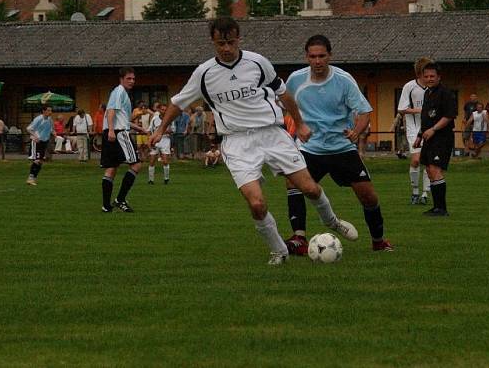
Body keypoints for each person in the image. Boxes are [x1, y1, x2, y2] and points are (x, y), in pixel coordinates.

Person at [149, 17, 357, 266]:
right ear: (213, 42)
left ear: (239, 39)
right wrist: (161, 128)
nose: (226, 48)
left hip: (272, 134)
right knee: (257, 204)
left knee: (310, 188)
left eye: (230, 42)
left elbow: (284, 94)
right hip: (237, 143)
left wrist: (299, 124)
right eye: (220, 43)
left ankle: (331, 221)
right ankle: (279, 250)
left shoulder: (258, 63)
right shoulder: (204, 73)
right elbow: (178, 102)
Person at [282, 35, 393, 256]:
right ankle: (299, 237)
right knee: (292, 182)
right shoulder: (295, 80)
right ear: (306, 57)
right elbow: (284, 102)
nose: (317, 61)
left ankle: (378, 241)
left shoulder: (343, 80)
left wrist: (356, 132)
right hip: (310, 148)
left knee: (368, 196)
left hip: (341, 148)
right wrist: (297, 125)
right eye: (312, 56)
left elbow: (364, 112)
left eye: (322, 56)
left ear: (329, 56)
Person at [101, 68, 148, 213]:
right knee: (136, 165)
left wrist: (140, 129)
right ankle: (120, 199)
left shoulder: (121, 93)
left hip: (113, 132)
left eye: (133, 79)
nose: (132, 81)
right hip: (118, 133)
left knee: (111, 168)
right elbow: (111, 111)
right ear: (121, 79)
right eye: (129, 78)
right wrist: (111, 130)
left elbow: (123, 119)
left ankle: (106, 206)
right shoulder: (119, 91)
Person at [413, 62, 456, 216]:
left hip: (442, 137)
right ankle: (437, 207)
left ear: (439, 77)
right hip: (429, 138)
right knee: (430, 170)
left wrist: (434, 129)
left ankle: (442, 209)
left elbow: (449, 116)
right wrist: (420, 135)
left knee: (436, 170)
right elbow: (426, 117)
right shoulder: (427, 93)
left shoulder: (446, 93)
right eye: (426, 76)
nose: (429, 79)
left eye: (432, 76)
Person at [397, 57, 433, 205]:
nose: (428, 77)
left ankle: (425, 193)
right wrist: (421, 110)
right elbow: (401, 109)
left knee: (428, 162)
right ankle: (415, 191)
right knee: (416, 160)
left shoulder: (435, 88)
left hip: (431, 128)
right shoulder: (409, 87)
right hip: (414, 128)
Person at [26, 105, 54, 186]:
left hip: (44, 142)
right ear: (43, 111)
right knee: (37, 160)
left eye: (51, 110)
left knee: (40, 162)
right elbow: (29, 129)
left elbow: (51, 129)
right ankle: (30, 179)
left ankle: (33, 178)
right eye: (48, 110)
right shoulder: (38, 119)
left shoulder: (49, 119)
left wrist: (54, 133)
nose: (50, 112)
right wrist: (35, 136)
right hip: (37, 142)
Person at [148, 103, 173, 184]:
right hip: (155, 141)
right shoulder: (155, 119)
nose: (164, 111)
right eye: (162, 109)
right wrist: (150, 140)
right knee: (152, 161)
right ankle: (151, 180)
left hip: (165, 141)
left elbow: (173, 130)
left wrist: (162, 131)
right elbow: (149, 130)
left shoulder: (170, 119)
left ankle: (166, 179)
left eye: (165, 110)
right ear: (159, 110)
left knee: (165, 161)